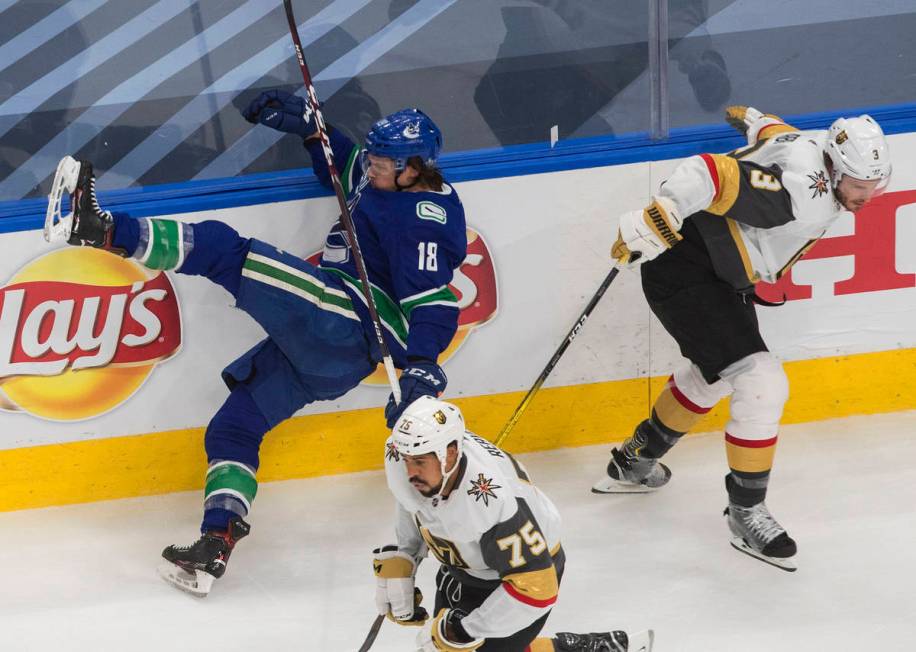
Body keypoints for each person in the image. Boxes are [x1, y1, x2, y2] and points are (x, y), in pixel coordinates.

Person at [51, 91, 468, 596]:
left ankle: (98, 227)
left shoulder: (425, 218)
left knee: (225, 250)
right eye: (375, 156)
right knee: (235, 426)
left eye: (384, 160)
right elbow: (346, 166)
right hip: (332, 358)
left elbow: (436, 302)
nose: (373, 164)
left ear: (414, 168)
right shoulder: (383, 177)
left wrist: (422, 364)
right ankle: (214, 543)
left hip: (346, 319)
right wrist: (311, 130)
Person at [591, 106, 892, 571]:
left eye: (874, 185)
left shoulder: (815, 150)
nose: (866, 196)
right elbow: (710, 172)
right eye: (857, 185)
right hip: (686, 268)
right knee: (761, 382)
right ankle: (745, 511)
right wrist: (664, 211)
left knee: (712, 374)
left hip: (712, 268)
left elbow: (779, 136)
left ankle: (635, 459)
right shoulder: (802, 194)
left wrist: (756, 119)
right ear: (833, 168)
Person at [377, 395, 654, 652]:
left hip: (520, 573)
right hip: (465, 567)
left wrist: (462, 631)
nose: (410, 471)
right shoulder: (404, 458)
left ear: (449, 454)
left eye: (420, 462)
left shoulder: (491, 503)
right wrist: (404, 559)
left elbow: (535, 590)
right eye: (407, 461)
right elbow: (412, 501)